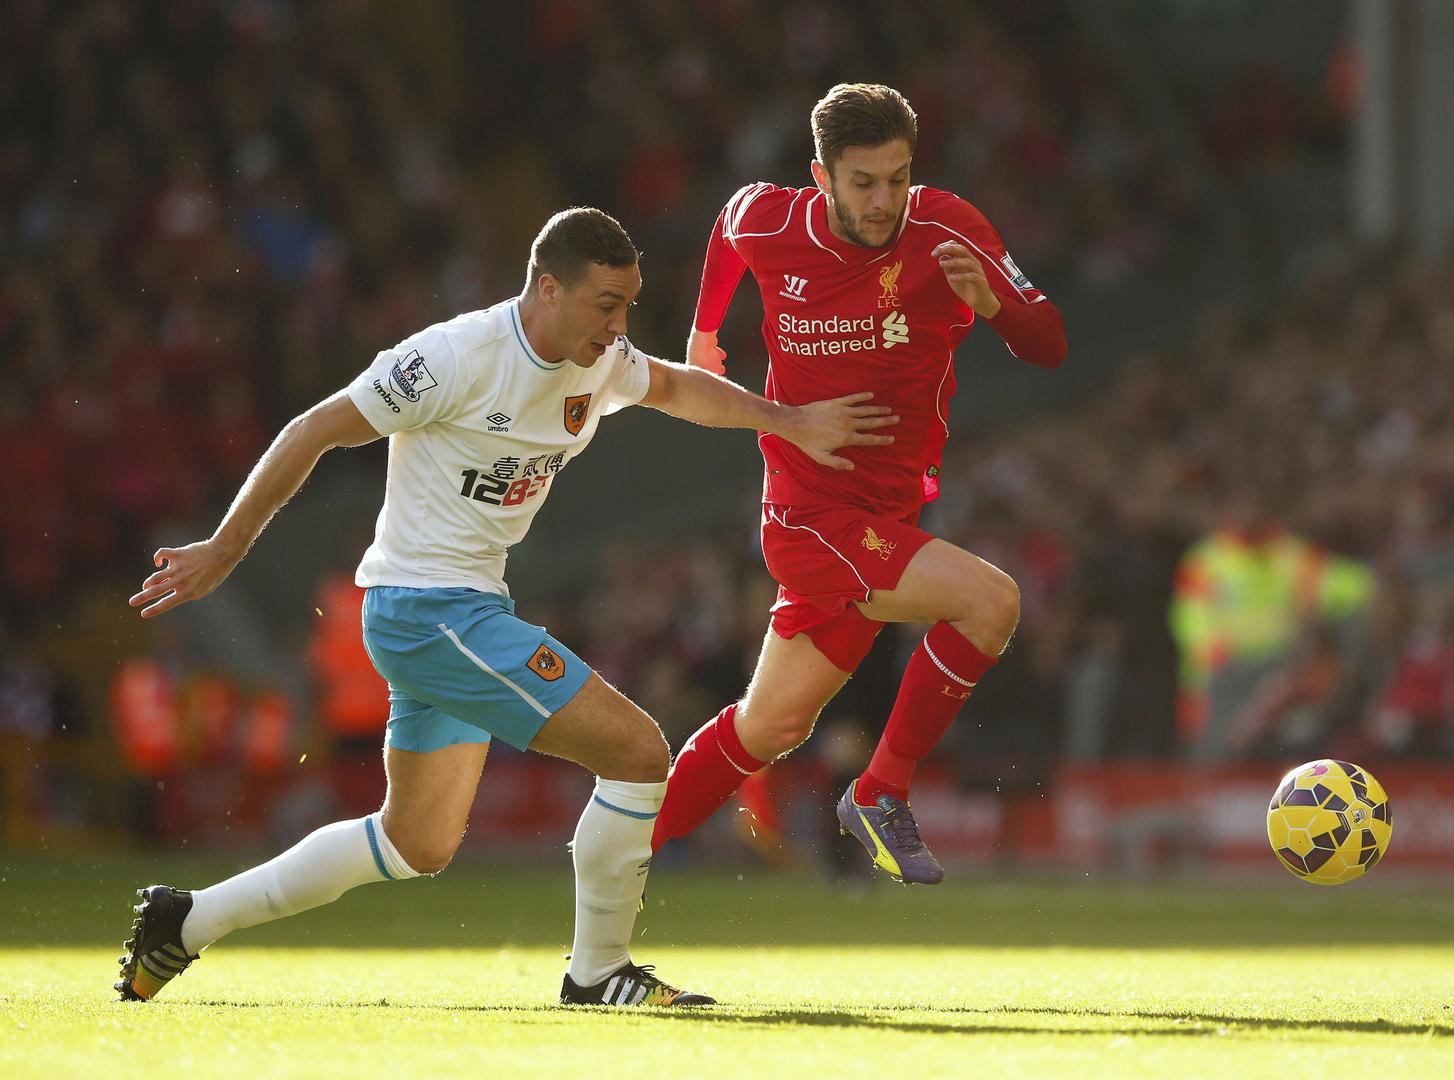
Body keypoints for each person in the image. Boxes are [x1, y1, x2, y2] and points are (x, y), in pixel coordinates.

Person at [115, 207, 897, 1007]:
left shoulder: (599, 359)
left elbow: (670, 385)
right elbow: (314, 428)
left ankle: (187, 919)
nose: (619, 327)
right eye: (606, 305)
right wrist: (226, 547)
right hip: (430, 611)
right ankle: (598, 973)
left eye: (627, 306)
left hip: (460, 609)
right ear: (548, 289)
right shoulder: (452, 358)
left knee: (415, 842)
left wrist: (785, 421)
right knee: (637, 752)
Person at [650, 84, 1068, 884]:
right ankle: (879, 791)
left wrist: (993, 306)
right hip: (808, 519)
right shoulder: (775, 221)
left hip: (885, 517)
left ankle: (614, 850)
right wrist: (702, 333)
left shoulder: (948, 228)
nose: (883, 202)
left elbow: (1048, 344)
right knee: (990, 603)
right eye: (863, 183)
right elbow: (730, 225)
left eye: (897, 179)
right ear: (822, 177)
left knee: (767, 726)